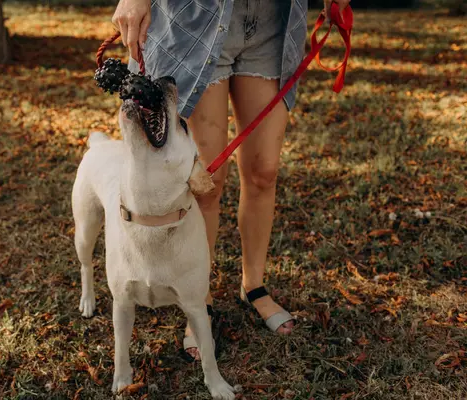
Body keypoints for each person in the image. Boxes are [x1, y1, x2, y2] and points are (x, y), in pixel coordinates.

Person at [111, 0, 350, 360]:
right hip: (196, 17)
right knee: (208, 182)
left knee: (263, 172)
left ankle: (253, 285)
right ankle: (199, 301)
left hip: (274, 23)